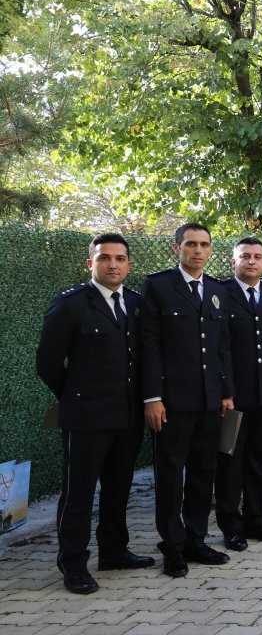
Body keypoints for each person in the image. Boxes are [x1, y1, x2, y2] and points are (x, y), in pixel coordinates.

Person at [37, 233, 153, 594]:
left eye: (119, 258)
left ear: (129, 265)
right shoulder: (70, 304)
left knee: (119, 488)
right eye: (104, 258)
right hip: (87, 418)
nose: (112, 265)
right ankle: (73, 564)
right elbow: (47, 363)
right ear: (91, 263)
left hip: (127, 416)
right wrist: (76, 398)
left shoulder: (136, 304)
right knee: (79, 493)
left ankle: (114, 551)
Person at [139, 222, 234, 577]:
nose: (197, 250)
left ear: (211, 250)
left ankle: (196, 539)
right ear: (176, 248)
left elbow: (222, 346)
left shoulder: (217, 289)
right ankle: (172, 546)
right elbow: (149, 345)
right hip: (172, 402)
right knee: (169, 476)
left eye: (204, 244)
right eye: (190, 244)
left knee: (202, 473)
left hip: (209, 399)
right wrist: (152, 397)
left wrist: (226, 392)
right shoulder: (158, 286)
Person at [214, 238, 262, 554]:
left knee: (261, 460)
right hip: (234, 396)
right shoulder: (221, 293)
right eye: (245, 256)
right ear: (233, 261)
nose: (251, 261)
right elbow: (218, 347)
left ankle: (256, 520)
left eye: (257, 257)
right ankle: (231, 527)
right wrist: (225, 390)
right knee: (230, 463)